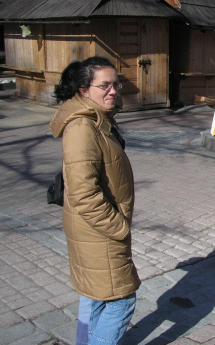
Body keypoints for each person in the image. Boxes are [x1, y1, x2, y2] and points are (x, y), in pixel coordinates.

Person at [50, 57, 141, 345]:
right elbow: (84, 194)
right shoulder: (82, 128)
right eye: (105, 85)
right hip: (99, 231)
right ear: (83, 90)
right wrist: (119, 227)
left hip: (92, 230)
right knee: (120, 300)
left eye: (116, 84)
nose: (113, 90)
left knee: (94, 295)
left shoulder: (97, 119)